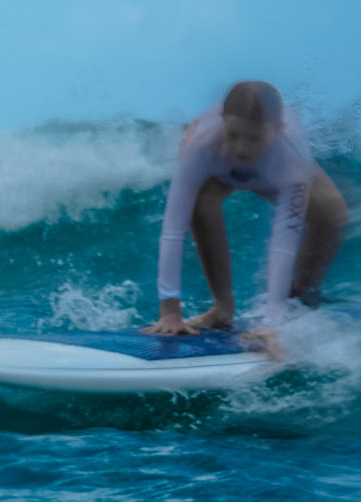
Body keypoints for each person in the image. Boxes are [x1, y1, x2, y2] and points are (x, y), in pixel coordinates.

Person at [143, 81, 348, 338]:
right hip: (219, 171)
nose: (241, 148)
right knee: (199, 201)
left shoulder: (292, 157)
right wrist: (170, 309)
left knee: (333, 214)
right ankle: (222, 309)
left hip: (273, 171)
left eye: (254, 138)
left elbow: (283, 242)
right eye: (233, 135)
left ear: (277, 130)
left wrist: (270, 324)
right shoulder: (200, 143)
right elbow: (173, 227)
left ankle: (296, 300)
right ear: (222, 122)